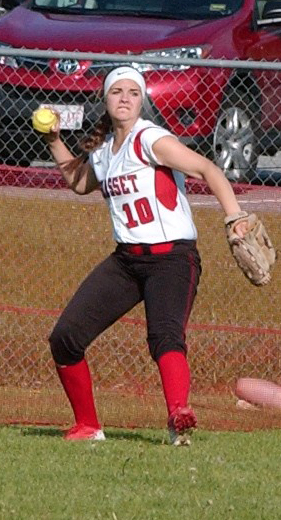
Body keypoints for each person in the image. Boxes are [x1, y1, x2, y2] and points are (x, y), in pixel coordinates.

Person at [41, 66, 249, 445]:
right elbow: (79, 182)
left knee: (165, 337)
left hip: (172, 258)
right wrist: (54, 139)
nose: (124, 98)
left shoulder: (150, 139)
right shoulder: (104, 152)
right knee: (66, 337)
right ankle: (88, 426)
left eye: (133, 92)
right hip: (127, 261)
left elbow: (206, 167)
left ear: (141, 101)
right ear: (105, 100)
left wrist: (234, 214)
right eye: (116, 91)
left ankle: (178, 417)